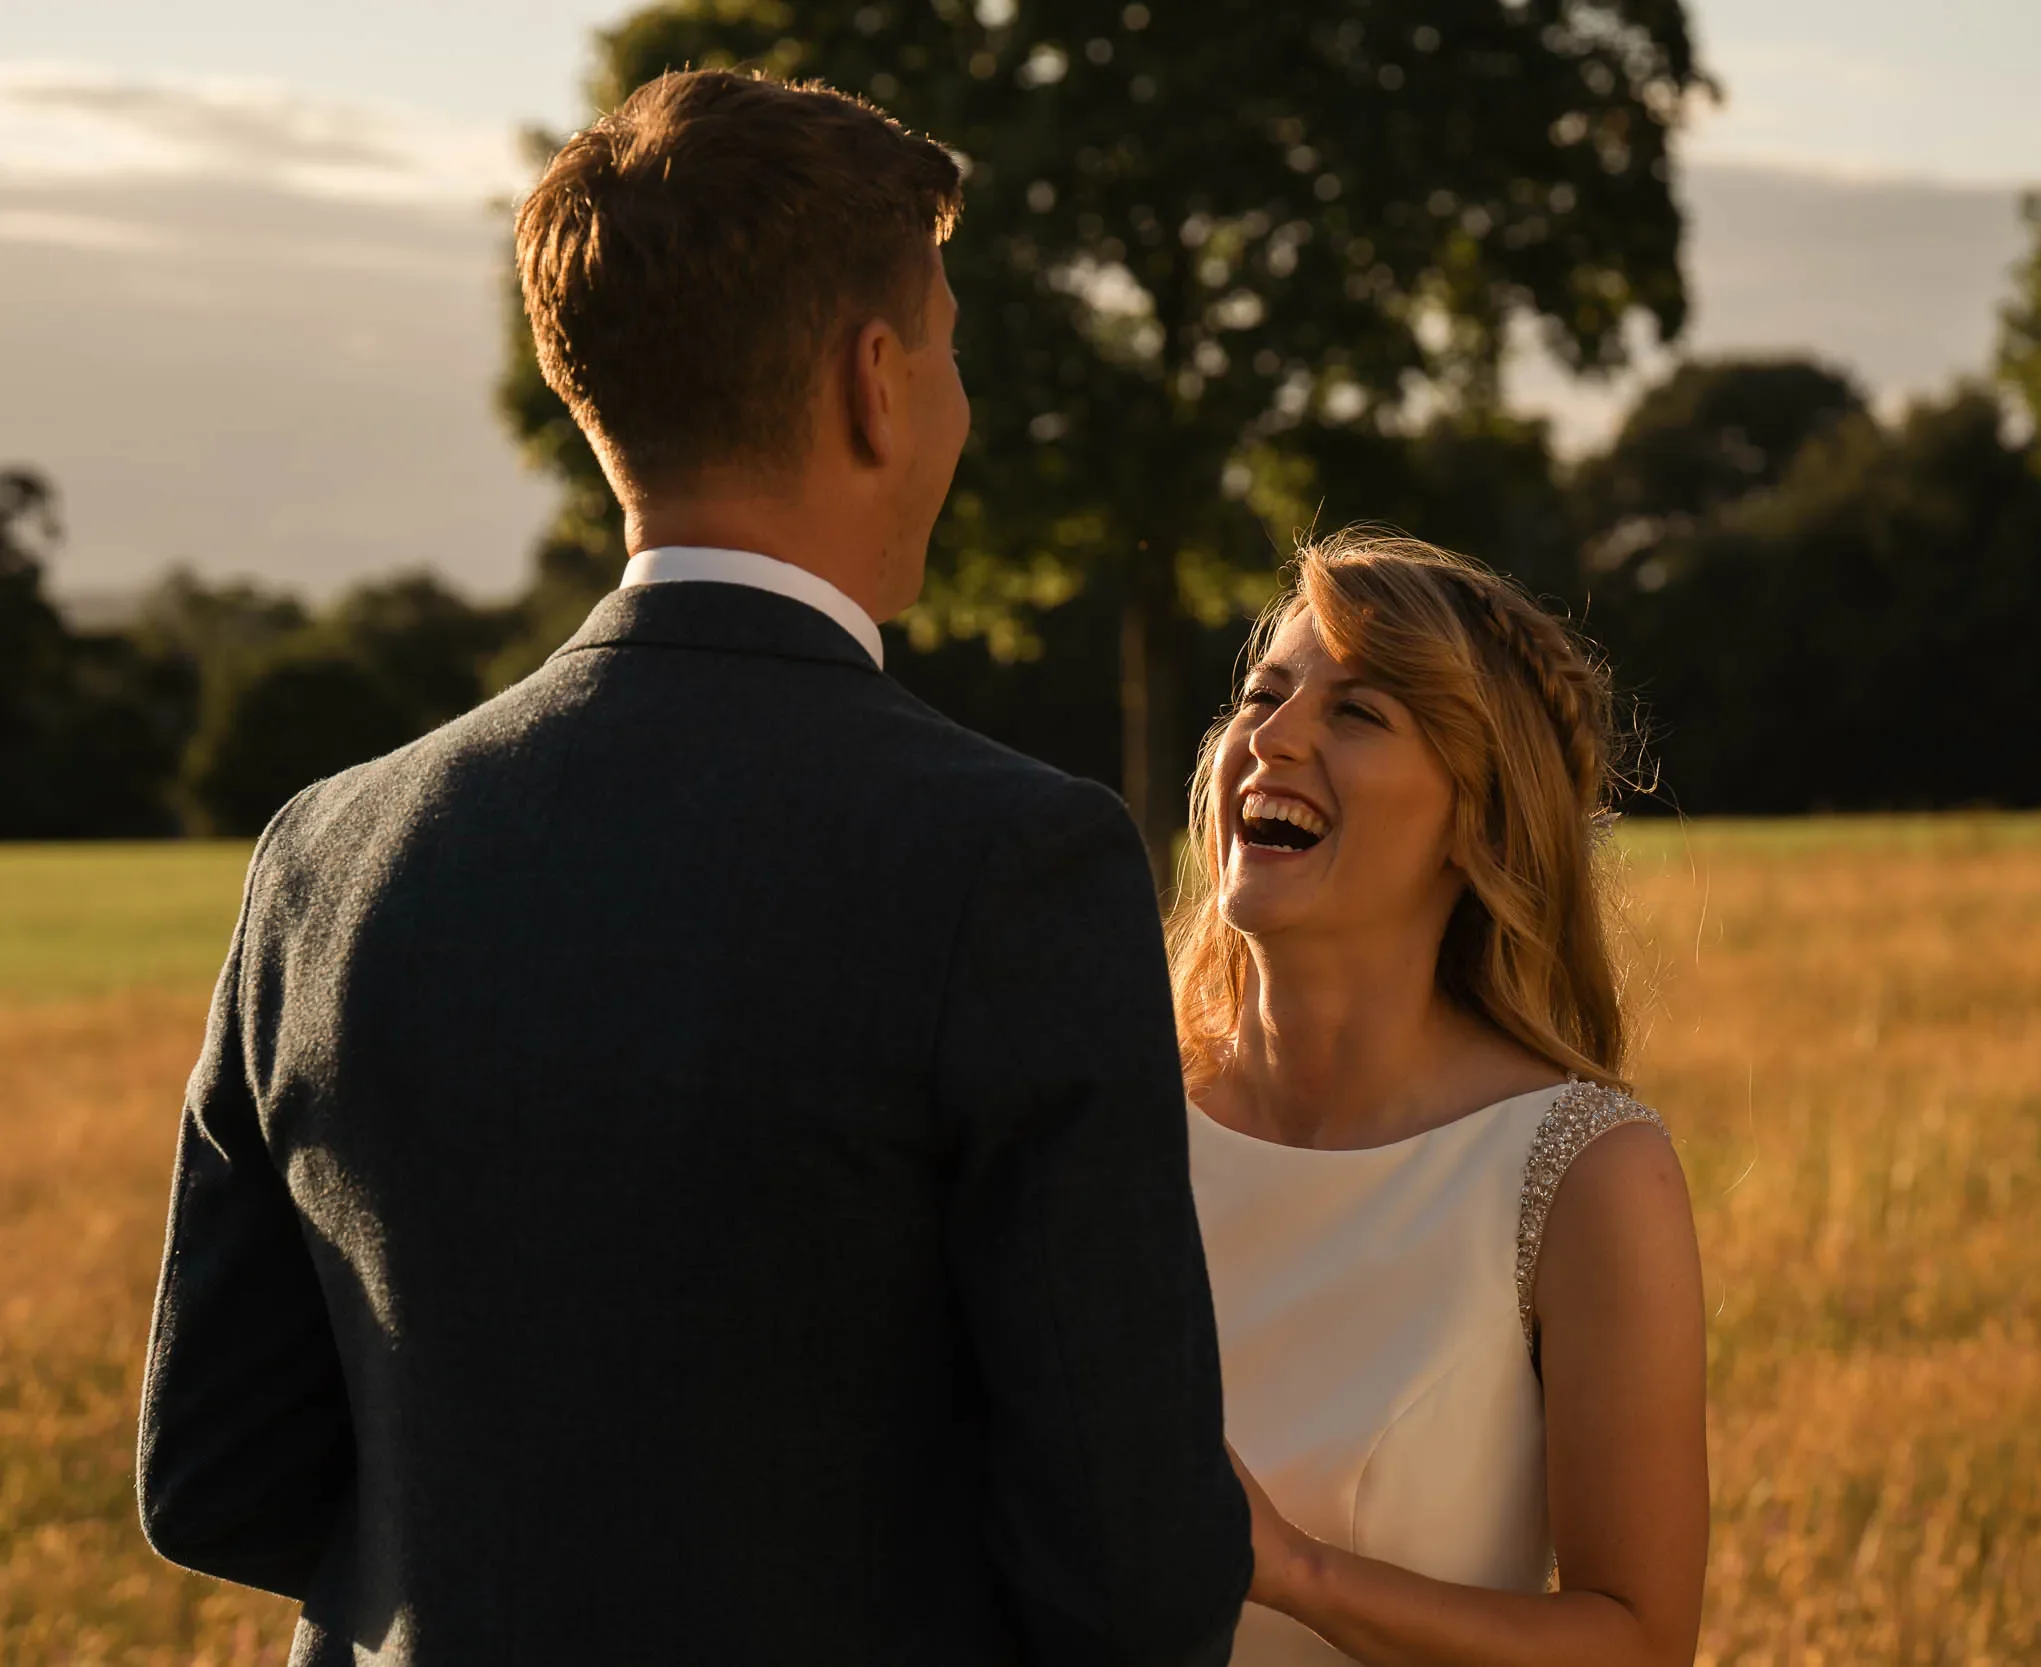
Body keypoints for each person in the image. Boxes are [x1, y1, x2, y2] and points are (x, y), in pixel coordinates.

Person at [134, 69, 1248, 1665]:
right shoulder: (1015, 861)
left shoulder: (323, 854)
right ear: (875, 381)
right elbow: (1134, 1577)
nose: (963, 404)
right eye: (950, 346)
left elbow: (214, 1477)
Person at [1175, 532, 1710, 1665]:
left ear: (1480, 816)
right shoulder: (1107, 1113)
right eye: (1263, 695)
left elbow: (1638, 1639)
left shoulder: (1582, 1171)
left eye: (1357, 712)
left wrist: (1298, 1572)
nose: (1270, 738)